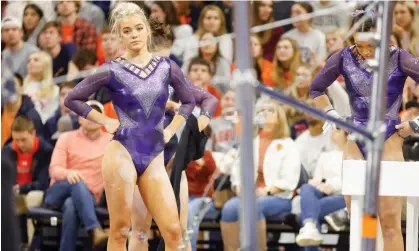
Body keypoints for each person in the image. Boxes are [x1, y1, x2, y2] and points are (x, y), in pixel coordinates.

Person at [64, 3, 196, 251]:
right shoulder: (112, 69)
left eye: (138, 28)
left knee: (174, 233)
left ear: (147, 30)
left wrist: (169, 130)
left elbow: (188, 102)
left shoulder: (167, 67)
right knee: (120, 232)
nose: (134, 34)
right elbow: (72, 98)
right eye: (127, 31)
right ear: (120, 36)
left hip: (154, 157)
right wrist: (105, 121)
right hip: (122, 151)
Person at [309, 9, 419, 251]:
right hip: (355, 142)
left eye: (371, 45)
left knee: (389, 225)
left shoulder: (398, 57)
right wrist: (331, 115)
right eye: (360, 45)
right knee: (362, 221)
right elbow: (316, 89)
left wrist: (415, 123)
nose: (366, 51)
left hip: (389, 141)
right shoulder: (343, 57)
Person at [125, 19, 219, 251]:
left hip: (171, 161)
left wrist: (199, 122)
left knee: (178, 232)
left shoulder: (171, 74)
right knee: (139, 232)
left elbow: (210, 99)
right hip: (142, 160)